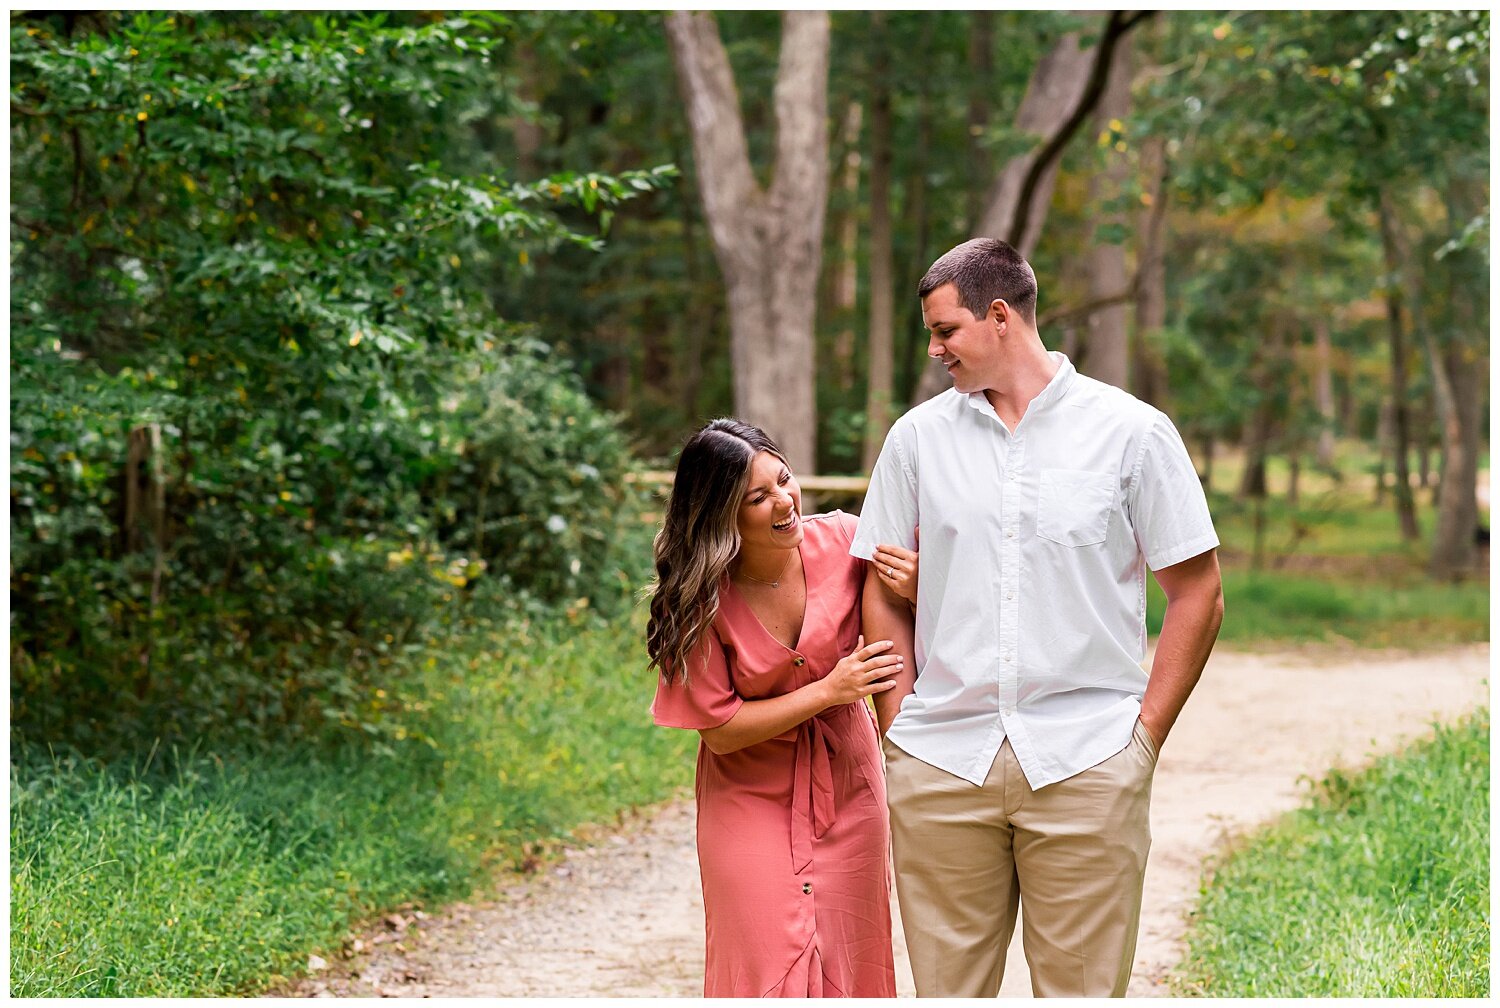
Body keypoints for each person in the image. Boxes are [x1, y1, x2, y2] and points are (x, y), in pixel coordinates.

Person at [851, 238, 1225, 998]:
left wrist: (1140, 742)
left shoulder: (1133, 434)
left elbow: (1199, 592)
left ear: (998, 317)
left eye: (944, 330)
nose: (935, 351)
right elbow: (882, 591)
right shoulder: (917, 440)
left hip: (1089, 760)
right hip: (943, 763)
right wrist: (898, 730)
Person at [647, 418, 917, 998]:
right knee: (762, 955)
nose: (785, 502)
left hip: (849, 785)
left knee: (853, 952)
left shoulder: (848, 542)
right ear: (722, 514)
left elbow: (929, 613)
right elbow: (719, 731)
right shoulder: (699, 597)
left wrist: (920, 584)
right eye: (758, 496)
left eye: (785, 480)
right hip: (746, 794)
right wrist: (827, 691)